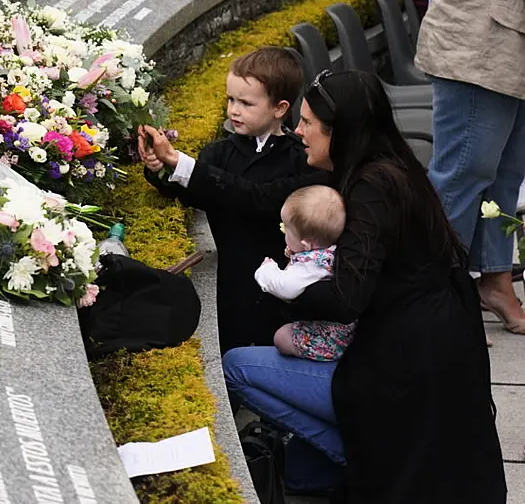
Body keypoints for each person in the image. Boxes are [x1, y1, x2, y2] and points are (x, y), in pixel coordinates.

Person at [140, 70, 505, 502]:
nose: (298, 130)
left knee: (236, 366)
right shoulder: (385, 168)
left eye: (309, 123)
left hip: (403, 370)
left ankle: (358, 455)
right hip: (427, 355)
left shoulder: (371, 188)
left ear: (340, 131)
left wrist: (281, 288)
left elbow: (346, 298)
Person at [138, 47, 319, 355]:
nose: (234, 110)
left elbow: (255, 198)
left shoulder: (300, 159)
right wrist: (160, 168)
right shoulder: (220, 152)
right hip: (230, 281)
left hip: (278, 288)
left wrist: (181, 162)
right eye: (231, 100)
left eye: (246, 103)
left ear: (280, 108)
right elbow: (189, 190)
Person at [415, 0, 525, 334]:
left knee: (506, 174)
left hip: (504, 39)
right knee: (463, 172)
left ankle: (495, 282)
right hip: (477, 41)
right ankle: (431, 299)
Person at [255, 186, 354, 362]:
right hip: (338, 327)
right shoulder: (331, 250)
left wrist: (266, 271)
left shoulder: (311, 266)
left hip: (332, 338)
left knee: (281, 336)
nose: (284, 234)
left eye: (286, 231)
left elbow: (286, 288)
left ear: (306, 245)